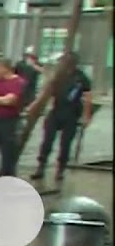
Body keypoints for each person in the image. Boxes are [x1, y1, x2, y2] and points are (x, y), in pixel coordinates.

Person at [29, 51, 93, 184]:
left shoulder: (81, 77)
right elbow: (47, 91)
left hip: (71, 114)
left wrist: (86, 116)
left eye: (64, 61)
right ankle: (41, 167)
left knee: (66, 144)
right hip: (56, 111)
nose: (62, 63)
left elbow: (87, 97)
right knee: (47, 140)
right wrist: (35, 105)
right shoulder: (59, 75)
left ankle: (60, 169)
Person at [13, 46, 43, 117]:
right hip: (20, 88)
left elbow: (42, 71)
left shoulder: (37, 64)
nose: (29, 57)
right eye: (27, 55)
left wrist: (33, 65)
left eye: (31, 56)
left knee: (30, 107)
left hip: (31, 89)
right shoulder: (20, 64)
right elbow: (15, 74)